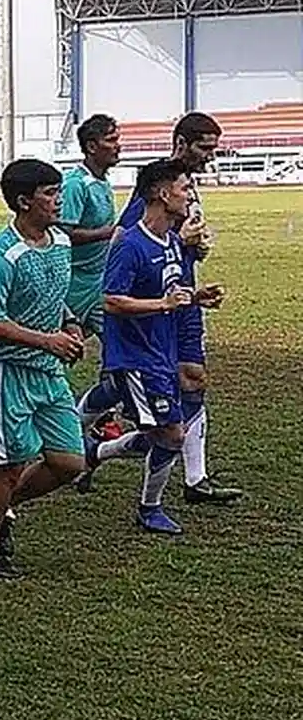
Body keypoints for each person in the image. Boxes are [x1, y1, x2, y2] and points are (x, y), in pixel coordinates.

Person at [92, 113, 241, 504]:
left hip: (181, 298)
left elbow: (173, 240)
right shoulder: (158, 183)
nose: (210, 156)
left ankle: (196, 479)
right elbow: (129, 236)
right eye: (204, 147)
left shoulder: (187, 188)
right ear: (182, 143)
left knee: (192, 380)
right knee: (134, 392)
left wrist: (193, 249)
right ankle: (86, 437)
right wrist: (178, 237)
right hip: (154, 307)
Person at [79, 159, 225, 535]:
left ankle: (94, 453)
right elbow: (111, 301)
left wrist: (197, 296)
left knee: (157, 436)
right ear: (163, 194)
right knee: (171, 435)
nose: (189, 194)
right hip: (135, 359)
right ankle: (149, 508)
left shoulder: (173, 242)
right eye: (184, 187)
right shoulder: (130, 244)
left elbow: (170, 292)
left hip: (162, 354)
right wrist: (164, 305)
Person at [0, 159, 87, 579]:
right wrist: (48, 340)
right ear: (23, 202)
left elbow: (55, 296)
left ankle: (1, 507)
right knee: (8, 467)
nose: (60, 200)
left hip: (47, 372)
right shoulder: (2, 255)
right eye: (51, 193)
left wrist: (69, 322)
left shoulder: (60, 242)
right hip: (5, 371)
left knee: (70, 462)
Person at [58, 115, 121, 338]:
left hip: (99, 281)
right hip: (73, 283)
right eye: (111, 140)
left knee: (120, 340)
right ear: (92, 147)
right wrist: (107, 233)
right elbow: (62, 233)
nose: (118, 146)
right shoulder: (76, 185)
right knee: (61, 346)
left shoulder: (102, 181)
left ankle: (115, 374)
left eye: (117, 139)